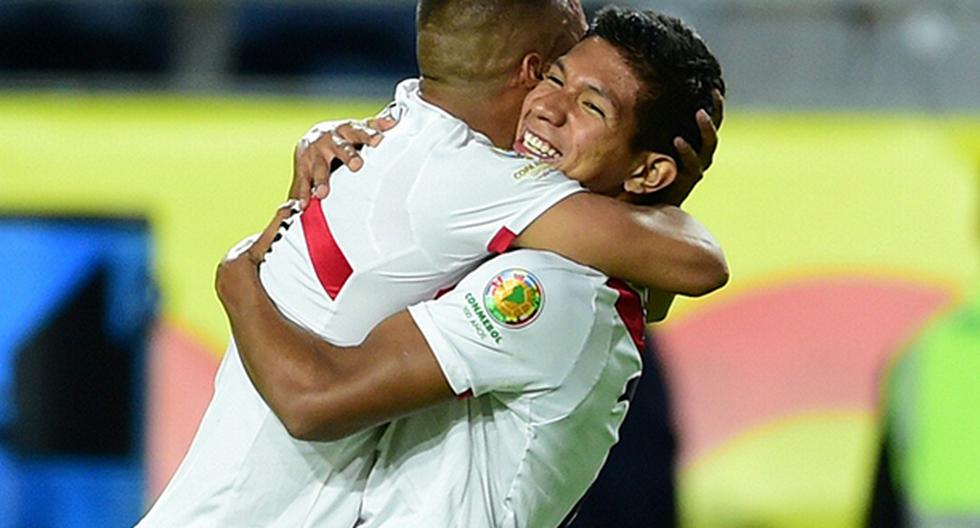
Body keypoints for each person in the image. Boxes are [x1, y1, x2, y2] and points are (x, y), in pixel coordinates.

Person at [137, 1, 725, 526]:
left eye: (591, 106)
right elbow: (664, 278)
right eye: (553, 76)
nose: (549, 108)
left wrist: (238, 278)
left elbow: (684, 272)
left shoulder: (543, 276)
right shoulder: (492, 197)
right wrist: (662, 192)